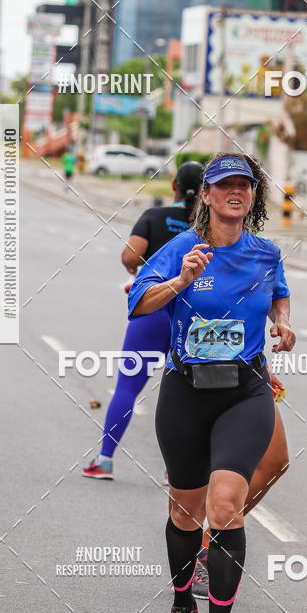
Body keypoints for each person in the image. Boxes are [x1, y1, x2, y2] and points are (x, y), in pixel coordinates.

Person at [128, 152, 295, 613]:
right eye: (224, 186)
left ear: (253, 194)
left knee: (225, 504)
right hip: (185, 391)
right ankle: (183, 612)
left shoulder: (266, 253)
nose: (235, 192)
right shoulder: (182, 247)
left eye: (244, 185)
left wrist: (284, 324)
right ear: (206, 195)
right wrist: (180, 281)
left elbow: (279, 296)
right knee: (184, 512)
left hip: (244, 390)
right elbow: (137, 302)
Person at [82, 162, 203, 480]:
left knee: (127, 386)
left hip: (153, 312)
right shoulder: (207, 229)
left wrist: (147, 267)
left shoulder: (154, 216)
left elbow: (129, 257)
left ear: (174, 185)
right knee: (186, 396)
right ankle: (176, 470)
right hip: (190, 317)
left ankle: (105, 460)